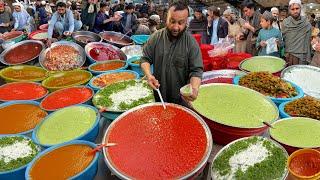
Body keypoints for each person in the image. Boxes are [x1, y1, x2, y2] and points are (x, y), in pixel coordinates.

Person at [141, 1, 203, 106]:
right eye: (172, 21)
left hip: (181, 99)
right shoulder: (156, 37)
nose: (175, 27)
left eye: (180, 23)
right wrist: (149, 75)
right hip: (158, 95)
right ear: (166, 18)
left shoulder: (191, 43)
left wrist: (194, 88)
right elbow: (145, 59)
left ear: (186, 22)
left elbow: (196, 70)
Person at [282, 0, 311, 65]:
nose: (295, 11)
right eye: (292, 9)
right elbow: (283, 39)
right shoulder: (285, 23)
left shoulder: (306, 24)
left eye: (297, 8)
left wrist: (308, 57)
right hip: (289, 55)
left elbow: (308, 42)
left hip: (302, 56)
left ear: (300, 8)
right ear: (289, 10)